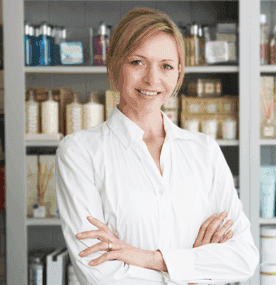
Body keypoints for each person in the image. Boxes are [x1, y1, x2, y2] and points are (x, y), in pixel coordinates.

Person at [55, 7, 258, 285]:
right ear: (114, 66)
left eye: (166, 66)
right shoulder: (80, 152)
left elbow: (244, 258)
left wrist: (147, 258)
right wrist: (191, 271)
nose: (152, 79)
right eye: (137, 62)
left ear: (178, 74)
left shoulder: (203, 151)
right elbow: (98, 272)